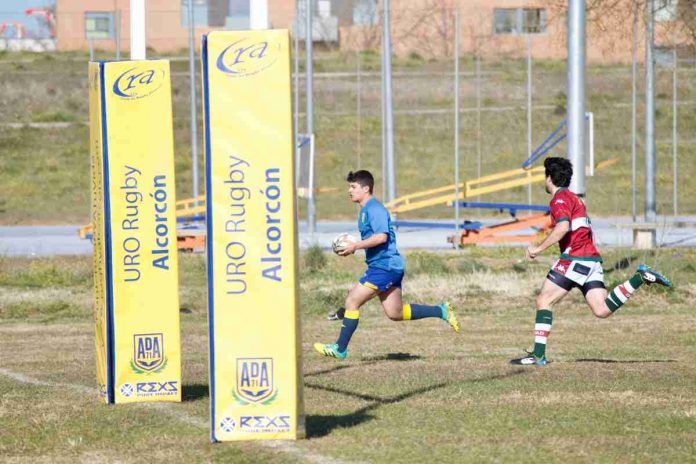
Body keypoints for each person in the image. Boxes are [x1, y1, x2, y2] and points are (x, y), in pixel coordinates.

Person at [510, 157, 671, 366]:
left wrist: (537, 249)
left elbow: (562, 228)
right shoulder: (576, 199)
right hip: (591, 260)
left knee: (544, 301)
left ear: (549, 177)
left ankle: (538, 355)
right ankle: (639, 278)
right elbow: (586, 231)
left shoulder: (559, 200)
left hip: (574, 259)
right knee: (602, 309)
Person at [314, 170, 460, 359]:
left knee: (352, 300)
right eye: (349, 187)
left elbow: (382, 237)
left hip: (385, 267)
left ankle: (340, 348)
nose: (349, 191)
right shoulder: (365, 210)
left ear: (366, 188)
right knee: (395, 312)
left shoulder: (374, 209)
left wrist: (356, 246)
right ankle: (441, 310)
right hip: (387, 267)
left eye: (353, 187)